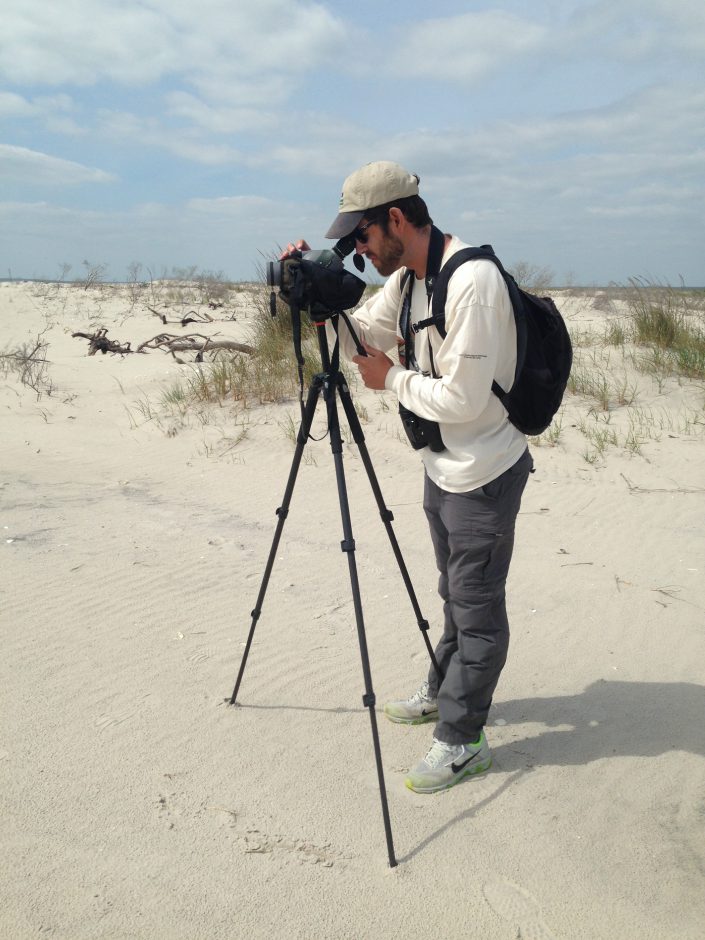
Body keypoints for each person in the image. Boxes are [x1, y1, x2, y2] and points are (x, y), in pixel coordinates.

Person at [282, 160, 533, 794]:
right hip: (442, 466)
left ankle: (462, 739)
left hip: (483, 470)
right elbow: (360, 337)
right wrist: (317, 294)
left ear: (396, 219)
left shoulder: (470, 281)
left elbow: (465, 401)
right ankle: (446, 690)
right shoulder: (408, 281)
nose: (361, 251)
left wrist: (390, 379)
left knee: (476, 610)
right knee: (454, 591)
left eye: (362, 237)